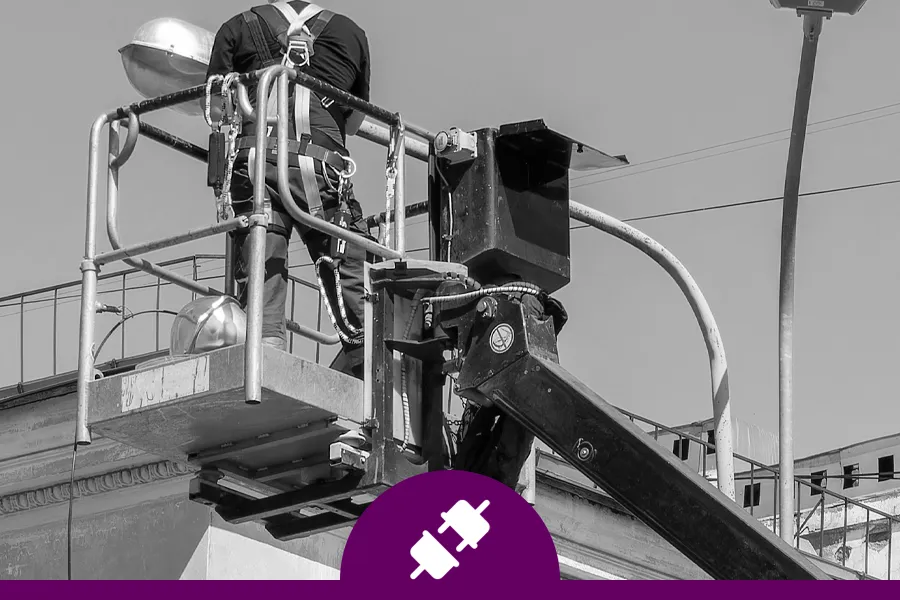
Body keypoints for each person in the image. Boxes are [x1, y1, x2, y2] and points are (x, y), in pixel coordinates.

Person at [206, 1, 373, 379]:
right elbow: (356, 119)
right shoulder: (350, 33)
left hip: (256, 165)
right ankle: (368, 350)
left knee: (262, 260)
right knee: (346, 261)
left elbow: (218, 110)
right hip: (319, 166)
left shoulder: (237, 27)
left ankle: (264, 360)